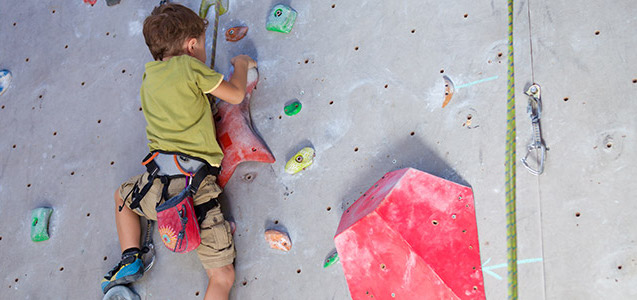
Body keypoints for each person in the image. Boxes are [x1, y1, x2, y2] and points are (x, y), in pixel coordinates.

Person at [100, 3, 256, 300]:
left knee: (122, 196)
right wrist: (241, 64)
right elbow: (235, 94)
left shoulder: (150, 77)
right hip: (195, 192)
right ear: (192, 45)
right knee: (222, 275)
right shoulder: (190, 65)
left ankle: (130, 256)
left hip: (155, 188)